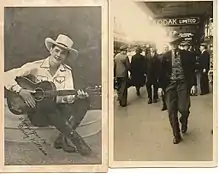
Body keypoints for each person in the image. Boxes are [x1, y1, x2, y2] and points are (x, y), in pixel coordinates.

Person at [4, 34, 92, 156]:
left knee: (84, 101)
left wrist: (76, 96)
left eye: (63, 53)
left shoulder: (67, 71)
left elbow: (68, 97)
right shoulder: (35, 66)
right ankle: (76, 139)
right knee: (47, 105)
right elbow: (4, 76)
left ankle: (61, 138)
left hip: (58, 112)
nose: (58, 55)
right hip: (38, 114)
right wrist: (20, 91)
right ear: (51, 50)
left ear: (66, 56)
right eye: (56, 50)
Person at [160, 33, 197, 144]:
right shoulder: (164, 56)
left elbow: (192, 71)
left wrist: (194, 84)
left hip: (183, 84)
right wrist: (160, 87)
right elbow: (161, 73)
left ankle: (184, 120)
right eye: (172, 43)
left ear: (178, 43)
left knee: (184, 108)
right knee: (171, 110)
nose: (173, 45)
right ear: (169, 44)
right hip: (169, 85)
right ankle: (176, 135)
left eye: (175, 43)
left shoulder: (187, 55)